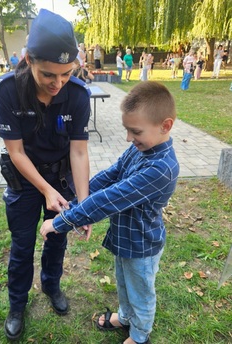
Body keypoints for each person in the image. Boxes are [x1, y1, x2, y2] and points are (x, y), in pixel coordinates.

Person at [40, 81, 180, 344]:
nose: (129, 138)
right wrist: (75, 201)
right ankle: (126, 318)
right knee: (125, 283)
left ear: (165, 125)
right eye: (127, 130)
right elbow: (111, 175)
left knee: (141, 292)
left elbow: (110, 199)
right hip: (125, 238)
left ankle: (139, 335)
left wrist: (61, 221)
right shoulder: (142, 149)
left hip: (142, 244)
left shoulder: (161, 168)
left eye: (135, 131)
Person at [0, 9, 91, 341]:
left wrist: (85, 204)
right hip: (25, 181)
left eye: (66, 74)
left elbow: (78, 151)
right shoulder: (7, 90)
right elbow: (16, 151)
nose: (57, 84)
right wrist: (45, 190)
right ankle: (17, 304)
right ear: (28, 59)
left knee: (57, 238)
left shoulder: (78, 95)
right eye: (48, 74)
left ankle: (52, 286)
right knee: (22, 246)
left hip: (60, 178)